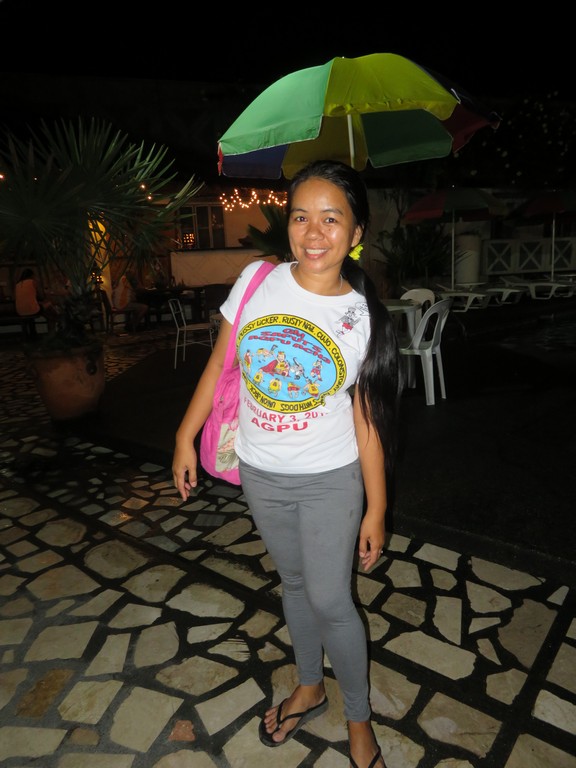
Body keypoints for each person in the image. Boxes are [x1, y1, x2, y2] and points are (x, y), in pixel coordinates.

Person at [172, 160, 401, 768]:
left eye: (332, 219)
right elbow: (220, 364)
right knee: (293, 584)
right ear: (288, 224)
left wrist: (376, 508)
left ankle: (359, 719)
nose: (314, 233)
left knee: (331, 600)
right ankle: (309, 683)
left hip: (330, 479)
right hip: (259, 471)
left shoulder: (364, 318)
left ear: (356, 232)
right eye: (302, 217)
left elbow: (369, 425)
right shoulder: (258, 281)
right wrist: (185, 436)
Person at [14, 268, 60, 337]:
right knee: (49, 304)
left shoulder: (17, 284)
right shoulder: (32, 282)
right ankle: (57, 319)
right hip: (32, 310)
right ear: (32, 275)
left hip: (20, 311)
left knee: (45, 310)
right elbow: (41, 295)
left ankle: (53, 322)